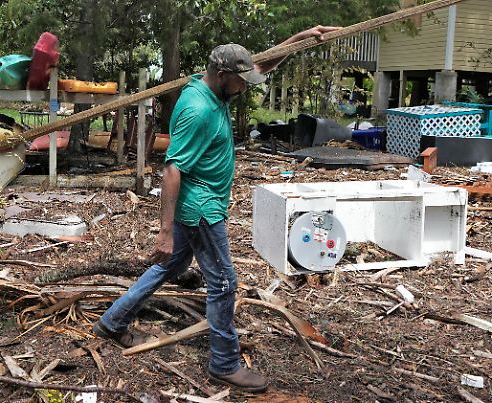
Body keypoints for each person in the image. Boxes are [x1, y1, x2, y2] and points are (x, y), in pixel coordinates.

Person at [93, 26, 340, 392]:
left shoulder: (212, 84)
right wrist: (164, 230)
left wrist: (301, 38)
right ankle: (224, 363)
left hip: (202, 205)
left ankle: (112, 321)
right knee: (224, 284)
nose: (245, 87)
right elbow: (172, 169)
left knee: (171, 266)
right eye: (240, 82)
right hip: (201, 210)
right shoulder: (198, 110)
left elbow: (260, 65)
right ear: (223, 75)